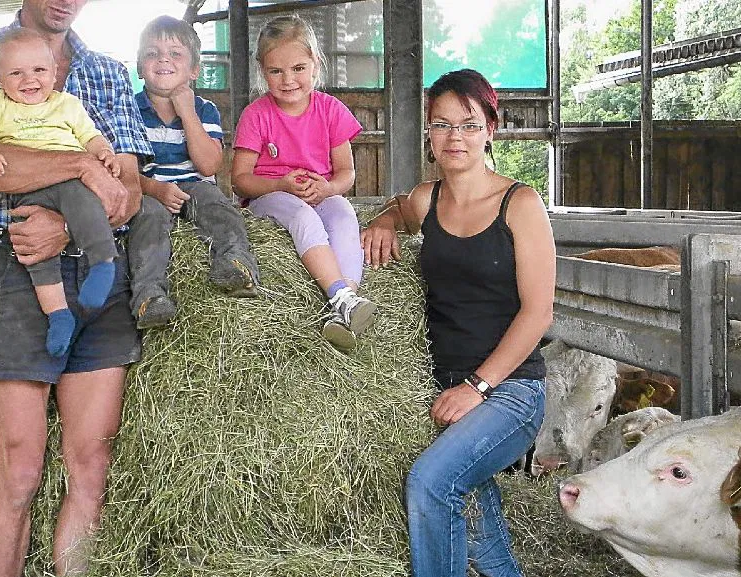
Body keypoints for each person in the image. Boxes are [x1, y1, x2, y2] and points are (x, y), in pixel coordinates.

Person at [0, 0, 153, 575]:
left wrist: (69, 216)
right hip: (17, 264)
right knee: (21, 467)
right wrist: (80, 167)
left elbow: (125, 186)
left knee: (91, 460)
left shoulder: (104, 71)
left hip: (99, 268)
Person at [360, 68, 556, 577]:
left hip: (510, 391)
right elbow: (398, 209)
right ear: (429, 132)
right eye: (442, 124)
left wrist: (477, 386)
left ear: (492, 127)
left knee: (432, 482)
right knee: (482, 539)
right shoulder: (427, 200)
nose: (455, 137)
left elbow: (539, 313)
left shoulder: (521, 204)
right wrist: (383, 220)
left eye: (468, 124)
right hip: (444, 389)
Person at [0, 28, 121, 357]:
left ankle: (103, 261)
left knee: (85, 204)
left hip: (70, 182)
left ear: (54, 73)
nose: (29, 80)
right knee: (35, 252)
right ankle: (58, 314)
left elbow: (90, 137)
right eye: (16, 73)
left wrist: (104, 151)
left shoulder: (66, 105)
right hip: (28, 188)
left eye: (39, 70)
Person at [231, 15, 375, 352]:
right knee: (301, 215)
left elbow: (346, 173)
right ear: (261, 70)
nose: (288, 80)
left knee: (342, 212)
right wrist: (279, 183)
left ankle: (346, 308)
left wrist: (327, 189)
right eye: (275, 71)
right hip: (271, 196)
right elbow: (240, 181)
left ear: (315, 64)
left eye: (298, 68)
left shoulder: (330, 110)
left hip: (318, 191)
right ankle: (339, 295)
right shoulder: (256, 114)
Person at [128, 14, 260, 330]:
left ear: (194, 71)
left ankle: (235, 263)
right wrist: (154, 189)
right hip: (150, 188)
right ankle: (149, 296)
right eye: (152, 53)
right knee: (148, 221)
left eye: (175, 54)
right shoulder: (130, 109)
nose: (163, 59)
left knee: (218, 207)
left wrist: (186, 110)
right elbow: (124, 170)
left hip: (195, 184)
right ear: (139, 67)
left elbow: (209, 166)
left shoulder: (204, 110)